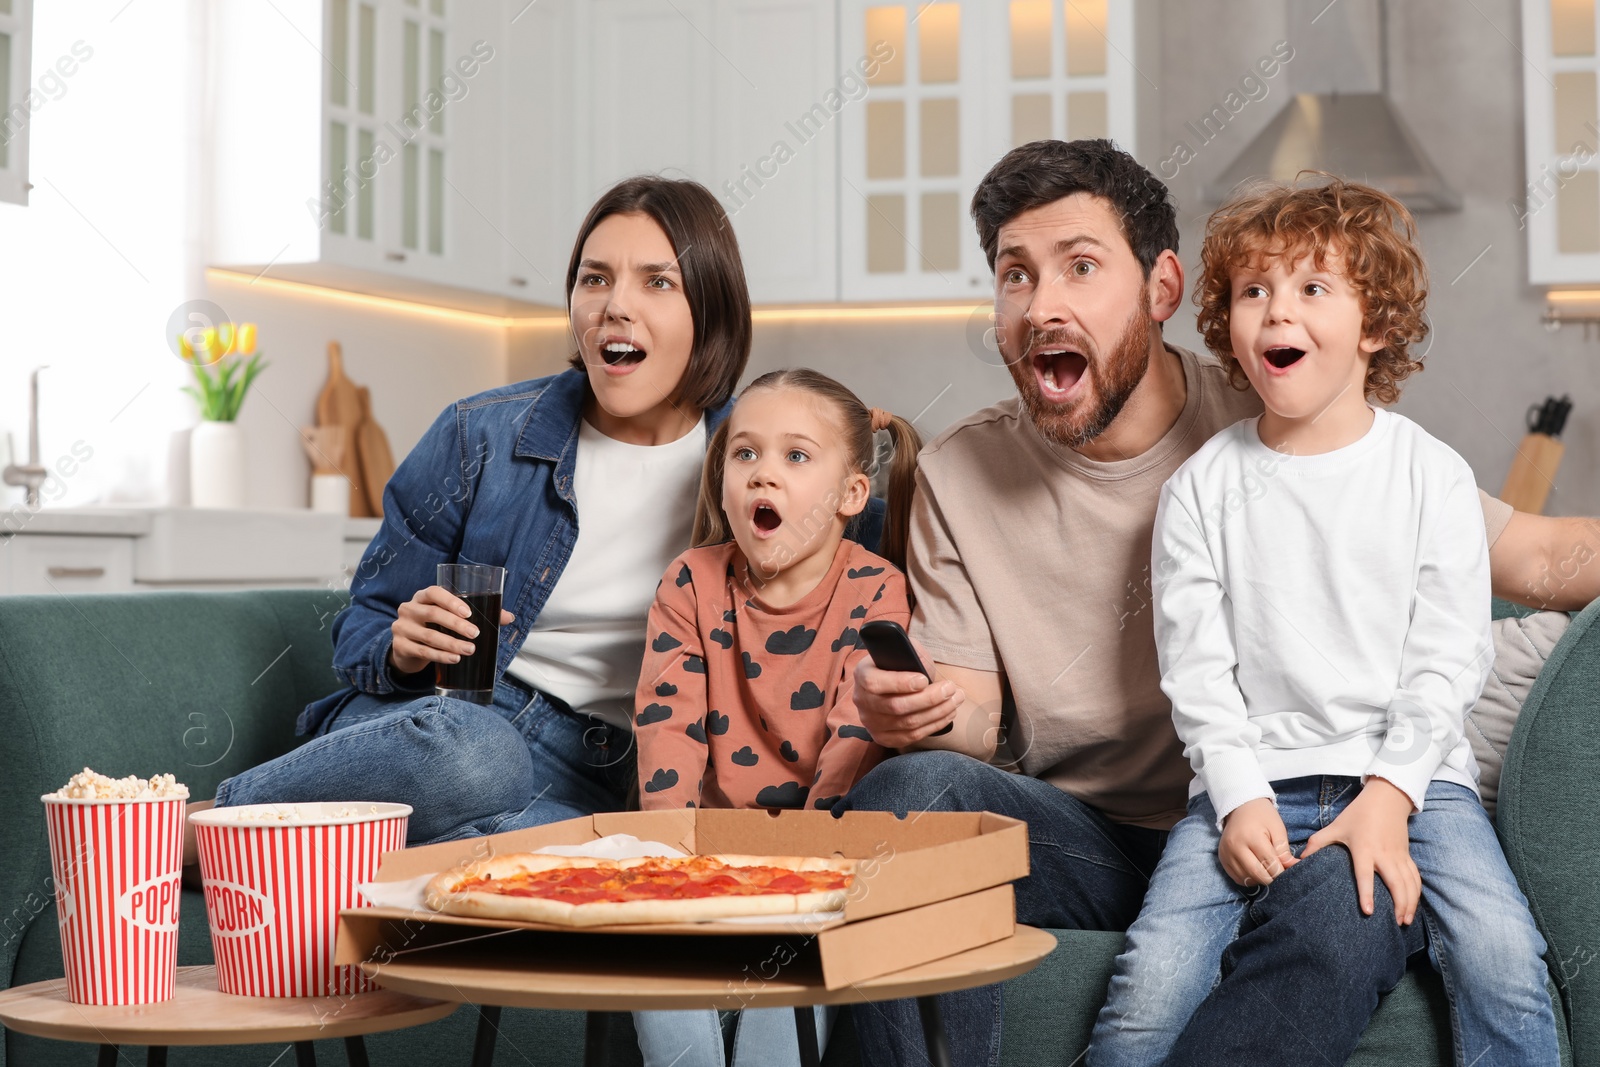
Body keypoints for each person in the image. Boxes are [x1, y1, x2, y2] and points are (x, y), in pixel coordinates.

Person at [839, 139, 1596, 1066]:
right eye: (1015, 275)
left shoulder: (1283, 409)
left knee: (1351, 892)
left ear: (1162, 287)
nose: (1043, 307)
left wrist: (1387, 790)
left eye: (1080, 266)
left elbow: (1532, 556)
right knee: (904, 793)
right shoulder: (962, 471)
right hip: (1109, 832)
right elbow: (977, 706)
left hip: (1318, 795)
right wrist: (920, 706)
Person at [197, 176, 877, 846]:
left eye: (657, 282)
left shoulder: (756, 460)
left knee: (594, 851)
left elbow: (847, 591)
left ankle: (348, 845)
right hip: (450, 723)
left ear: (712, 310)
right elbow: (363, 625)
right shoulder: (480, 437)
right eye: (594, 278)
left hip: (606, 775)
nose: (616, 305)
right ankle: (205, 828)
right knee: (479, 754)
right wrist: (402, 648)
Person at [1086, 177, 1559, 1067]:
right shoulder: (1199, 490)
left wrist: (1390, 795)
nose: (1276, 312)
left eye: (1312, 289)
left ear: (1374, 325)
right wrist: (1237, 796)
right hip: (1252, 785)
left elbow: (1449, 658)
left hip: (1417, 787)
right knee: (1148, 990)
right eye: (1253, 291)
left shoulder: (1433, 476)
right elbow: (1196, 672)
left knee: (1505, 960)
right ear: (1227, 320)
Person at [629, 369, 919, 1067]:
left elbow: (854, 745)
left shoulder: (878, 589)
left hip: (817, 867)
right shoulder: (689, 582)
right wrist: (671, 872)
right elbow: (667, 728)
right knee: (644, 944)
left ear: (853, 494)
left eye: (795, 456)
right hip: (701, 859)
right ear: (722, 478)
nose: (763, 476)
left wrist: (796, 884)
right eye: (745, 454)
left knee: (798, 970)